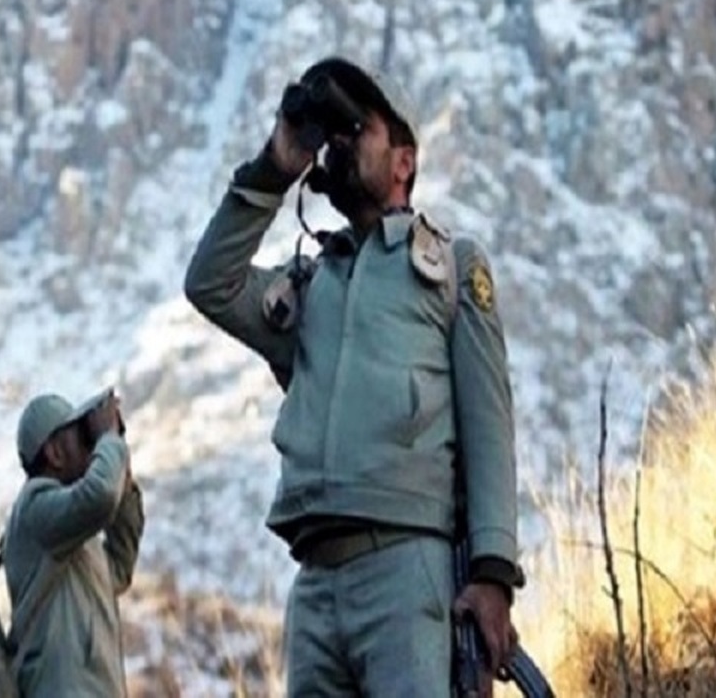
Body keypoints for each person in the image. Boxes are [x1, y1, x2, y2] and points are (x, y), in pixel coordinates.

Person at [184, 57, 520, 697]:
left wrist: (492, 574)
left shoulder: (449, 270)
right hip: (314, 583)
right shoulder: (307, 285)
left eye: (357, 127)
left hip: (408, 570)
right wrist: (276, 166)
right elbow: (209, 284)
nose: (338, 141)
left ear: (404, 162)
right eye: (333, 130)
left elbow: (489, 428)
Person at [3, 388, 144, 697]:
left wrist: (122, 468)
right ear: (54, 454)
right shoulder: (34, 508)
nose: (89, 444)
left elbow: (118, 569)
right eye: (81, 436)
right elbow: (100, 496)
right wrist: (108, 441)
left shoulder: (68, 533)